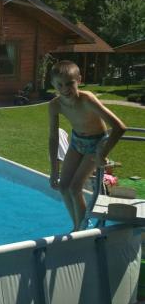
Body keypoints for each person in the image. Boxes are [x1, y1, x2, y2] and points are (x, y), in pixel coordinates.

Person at [48, 60, 126, 231]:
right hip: (77, 142)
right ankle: (77, 225)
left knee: (75, 187)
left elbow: (119, 127)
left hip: (96, 143)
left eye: (70, 83)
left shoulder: (87, 100)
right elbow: (53, 138)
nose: (65, 89)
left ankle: (83, 229)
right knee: (63, 186)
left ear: (79, 80)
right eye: (59, 85)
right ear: (53, 84)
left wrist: (102, 154)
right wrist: (54, 170)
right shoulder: (55, 105)